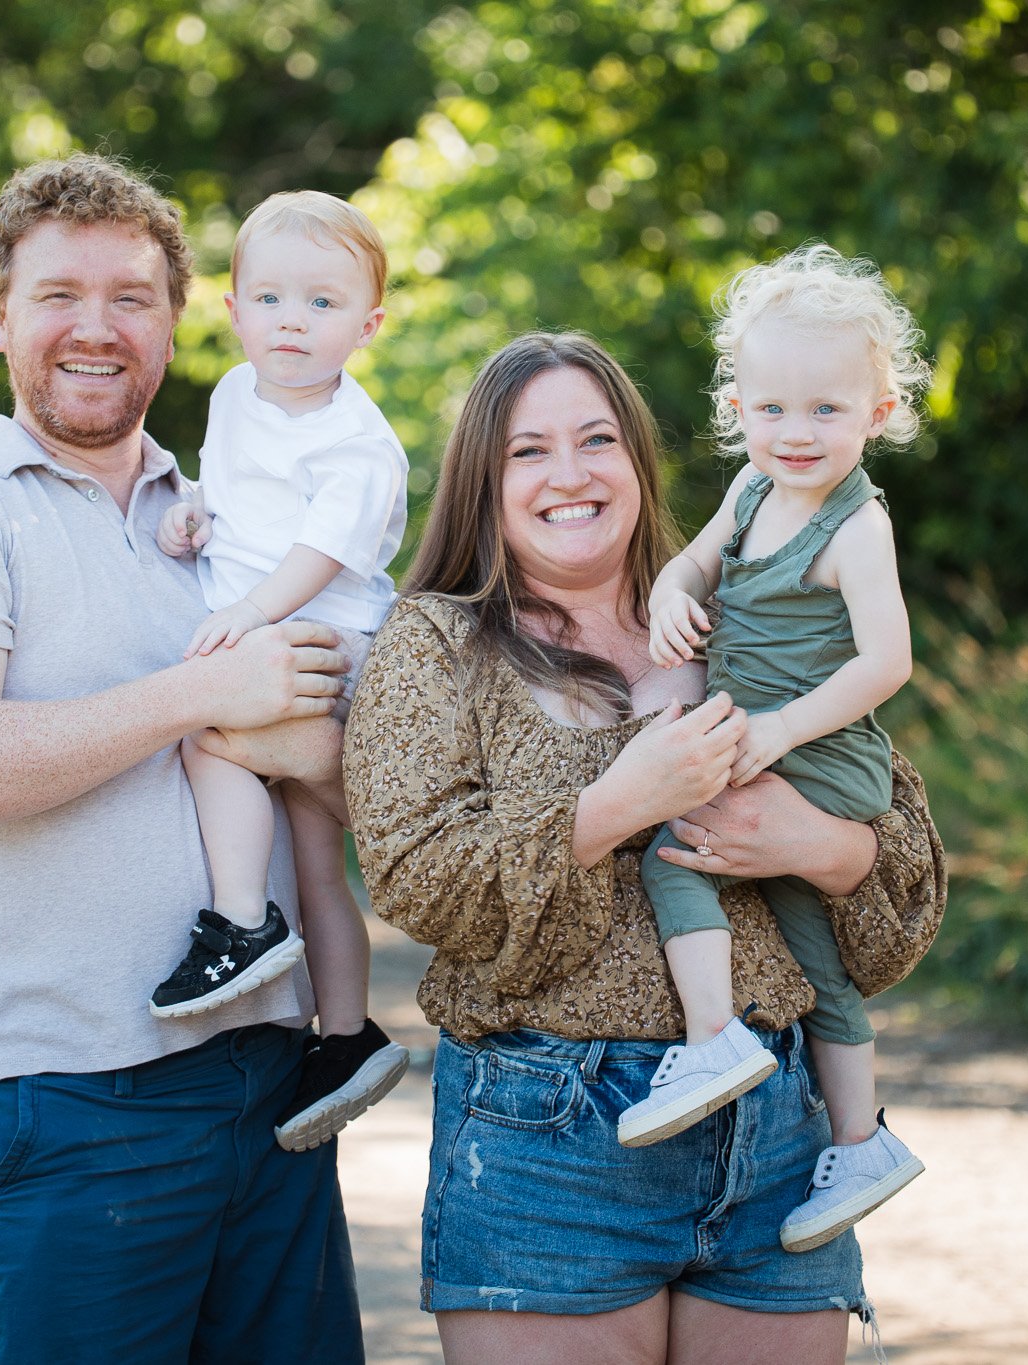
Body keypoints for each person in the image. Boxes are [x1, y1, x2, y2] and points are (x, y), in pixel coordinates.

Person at [0, 154, 364, 1363]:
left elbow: (329, 788)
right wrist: (201, 694)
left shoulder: (228, 516)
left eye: (129, 296)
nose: (95, 328)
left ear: (176, 323)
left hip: (277, 1087)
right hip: (75, 1102)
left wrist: (308, 751)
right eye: (57, 295)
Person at [344, 332, 945, 1363]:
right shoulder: (434, 642)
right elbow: (414, 876)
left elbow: (899, 898)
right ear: (482, 481)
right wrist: (618, 804)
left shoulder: (747, 609)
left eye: (595, 440)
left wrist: (815, 845)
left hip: (780, 1142)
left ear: (637, 459)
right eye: (528, 451)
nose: (568, 474)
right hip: (547, 1144)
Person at [622, 244, 930, 1252]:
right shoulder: (751, 494)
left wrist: (780, 732)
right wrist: (670, 595)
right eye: (770, 409)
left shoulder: (855, 526)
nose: (793, 433)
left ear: (877, 413)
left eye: (824, 410)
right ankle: (857, 1140)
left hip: (818, 751)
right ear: (738, 407)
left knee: (673, 842)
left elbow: (886, 662)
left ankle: (711, 1039)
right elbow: (693, 564)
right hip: (768, 740)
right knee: (813, 954)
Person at [149, 191, 411, 1151]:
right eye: (270, 298)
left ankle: (239, 922)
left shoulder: (357, 442)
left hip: (326, 644)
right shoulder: (232, 395)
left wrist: (248, 614)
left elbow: (323, 556)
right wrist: (192, 510)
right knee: (315, 864)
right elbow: (238, 498)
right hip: (269, 630)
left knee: (205, 734)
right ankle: (344, 1036)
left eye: (322, 303)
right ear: (232, 309)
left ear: (368, 325)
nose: (292, 321)